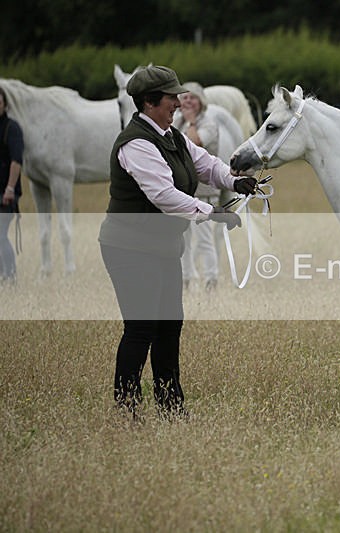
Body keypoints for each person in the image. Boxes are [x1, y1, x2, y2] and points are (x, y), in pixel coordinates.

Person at [98, 65, 257, 420]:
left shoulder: (172, 135)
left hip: (162, 247)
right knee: (140, 329)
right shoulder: (137, 142)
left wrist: (235, 181)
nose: (178, 102)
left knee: (169, 326)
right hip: (129, 249)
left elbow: (204, 164)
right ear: (151, 102)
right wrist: (210, 210)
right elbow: (163, 195)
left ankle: (172, 408)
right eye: (172, 97)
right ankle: (127, 412)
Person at [176, 82, 222, 291]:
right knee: (182, 240)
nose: (188, 101)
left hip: (203, 192)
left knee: (204, 239)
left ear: (201, 101)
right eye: (184, 97)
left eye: (192, 97)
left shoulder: (208, 123)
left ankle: (211, 281)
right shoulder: (176, 122)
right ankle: (186, 280)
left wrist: (191, 122)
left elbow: (195, 143)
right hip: (180, 192)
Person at [0, 87, 23, 285]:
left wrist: (9, 189)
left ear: (5, 104)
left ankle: (10, 276)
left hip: (6, 194)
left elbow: (16, 161)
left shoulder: (12, 128)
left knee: (0, 235)